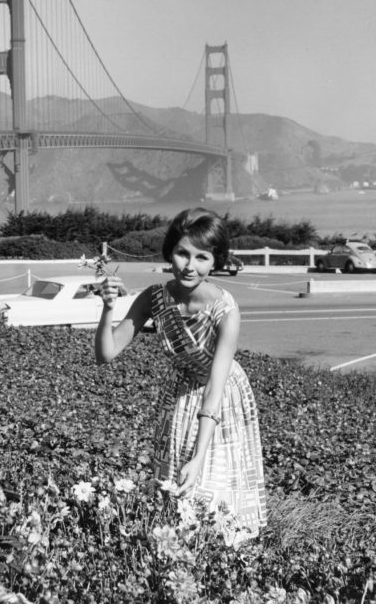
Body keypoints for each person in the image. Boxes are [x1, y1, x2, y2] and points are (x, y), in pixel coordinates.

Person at [94, 207, 267, 538]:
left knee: (210, 486)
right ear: (169, 253)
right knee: (173, 483)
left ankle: (222, 557)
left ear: (215, 262)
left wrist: (199, 455)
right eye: (182, 253)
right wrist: (107, 307)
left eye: (202, 257)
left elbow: (215, 388)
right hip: (179, 393)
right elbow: (106, 354)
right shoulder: (154, 298)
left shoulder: (225, 310)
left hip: (221, 400)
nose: (190, 266)